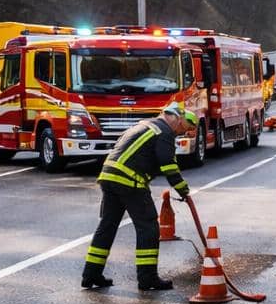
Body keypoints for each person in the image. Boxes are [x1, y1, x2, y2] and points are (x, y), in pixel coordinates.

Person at [81, 103, 196, 291]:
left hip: (109, 176)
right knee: (148, 227)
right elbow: (168, 164)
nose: (179, 133)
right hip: (129, 180)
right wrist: (183, 189)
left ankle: (91, 274)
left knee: (107, 226)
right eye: (182, 128)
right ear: (176, 118)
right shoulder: (164, 132)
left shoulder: (145, 125)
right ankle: (147, 278)